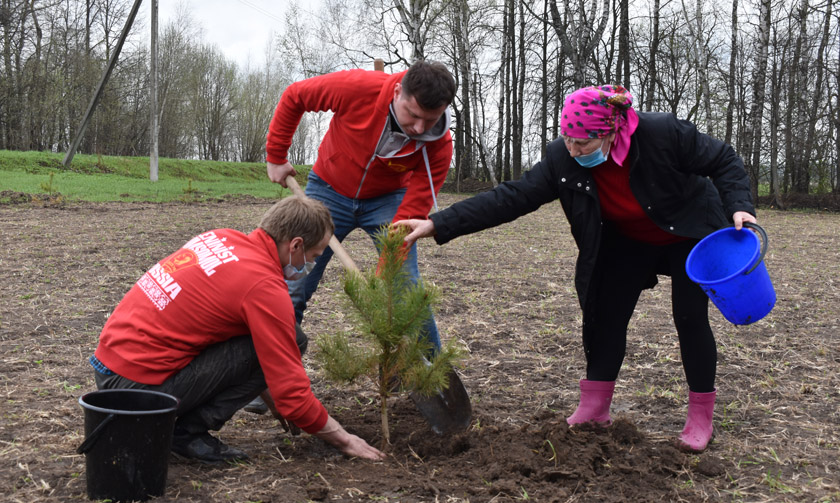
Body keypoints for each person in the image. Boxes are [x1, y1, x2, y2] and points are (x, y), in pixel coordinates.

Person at [395, 85, 757, 453]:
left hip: (687, 232)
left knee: (689, 317)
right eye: (567, 139)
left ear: (612, 131)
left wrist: (740, 206)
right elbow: (512, 197)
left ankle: (700, 416)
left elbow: (724, 159)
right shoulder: (562, 158)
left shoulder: (662, 134)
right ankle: (595, 407)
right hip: (627, 240)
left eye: (583, 143)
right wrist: (439, 223)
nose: (572, 150)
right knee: (604, 314)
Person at [89, 196, 386, 464]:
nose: (311, 263)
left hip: (110, 367)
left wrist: (264, 387)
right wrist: (345, 439)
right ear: (295, 245)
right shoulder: (263, 287)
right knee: (293, 340)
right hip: (134, 395)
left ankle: (180, 426)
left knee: (266, 342)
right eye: (315, 256)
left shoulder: (220, 238)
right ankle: (185, 432)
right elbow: (293, 395)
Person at [264, 59, 456, 351]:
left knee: (403, 285)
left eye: (430, 120)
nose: (419, 128)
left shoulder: (439, 144)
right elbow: (296, 95)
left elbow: (412, 212)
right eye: (413, 115)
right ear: (396, 93)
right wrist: (276, 155)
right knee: (294, 282)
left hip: (387, 199)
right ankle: (268, 371)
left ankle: (429, 376)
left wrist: (384, 274)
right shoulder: (358, 88)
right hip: (328, 188)